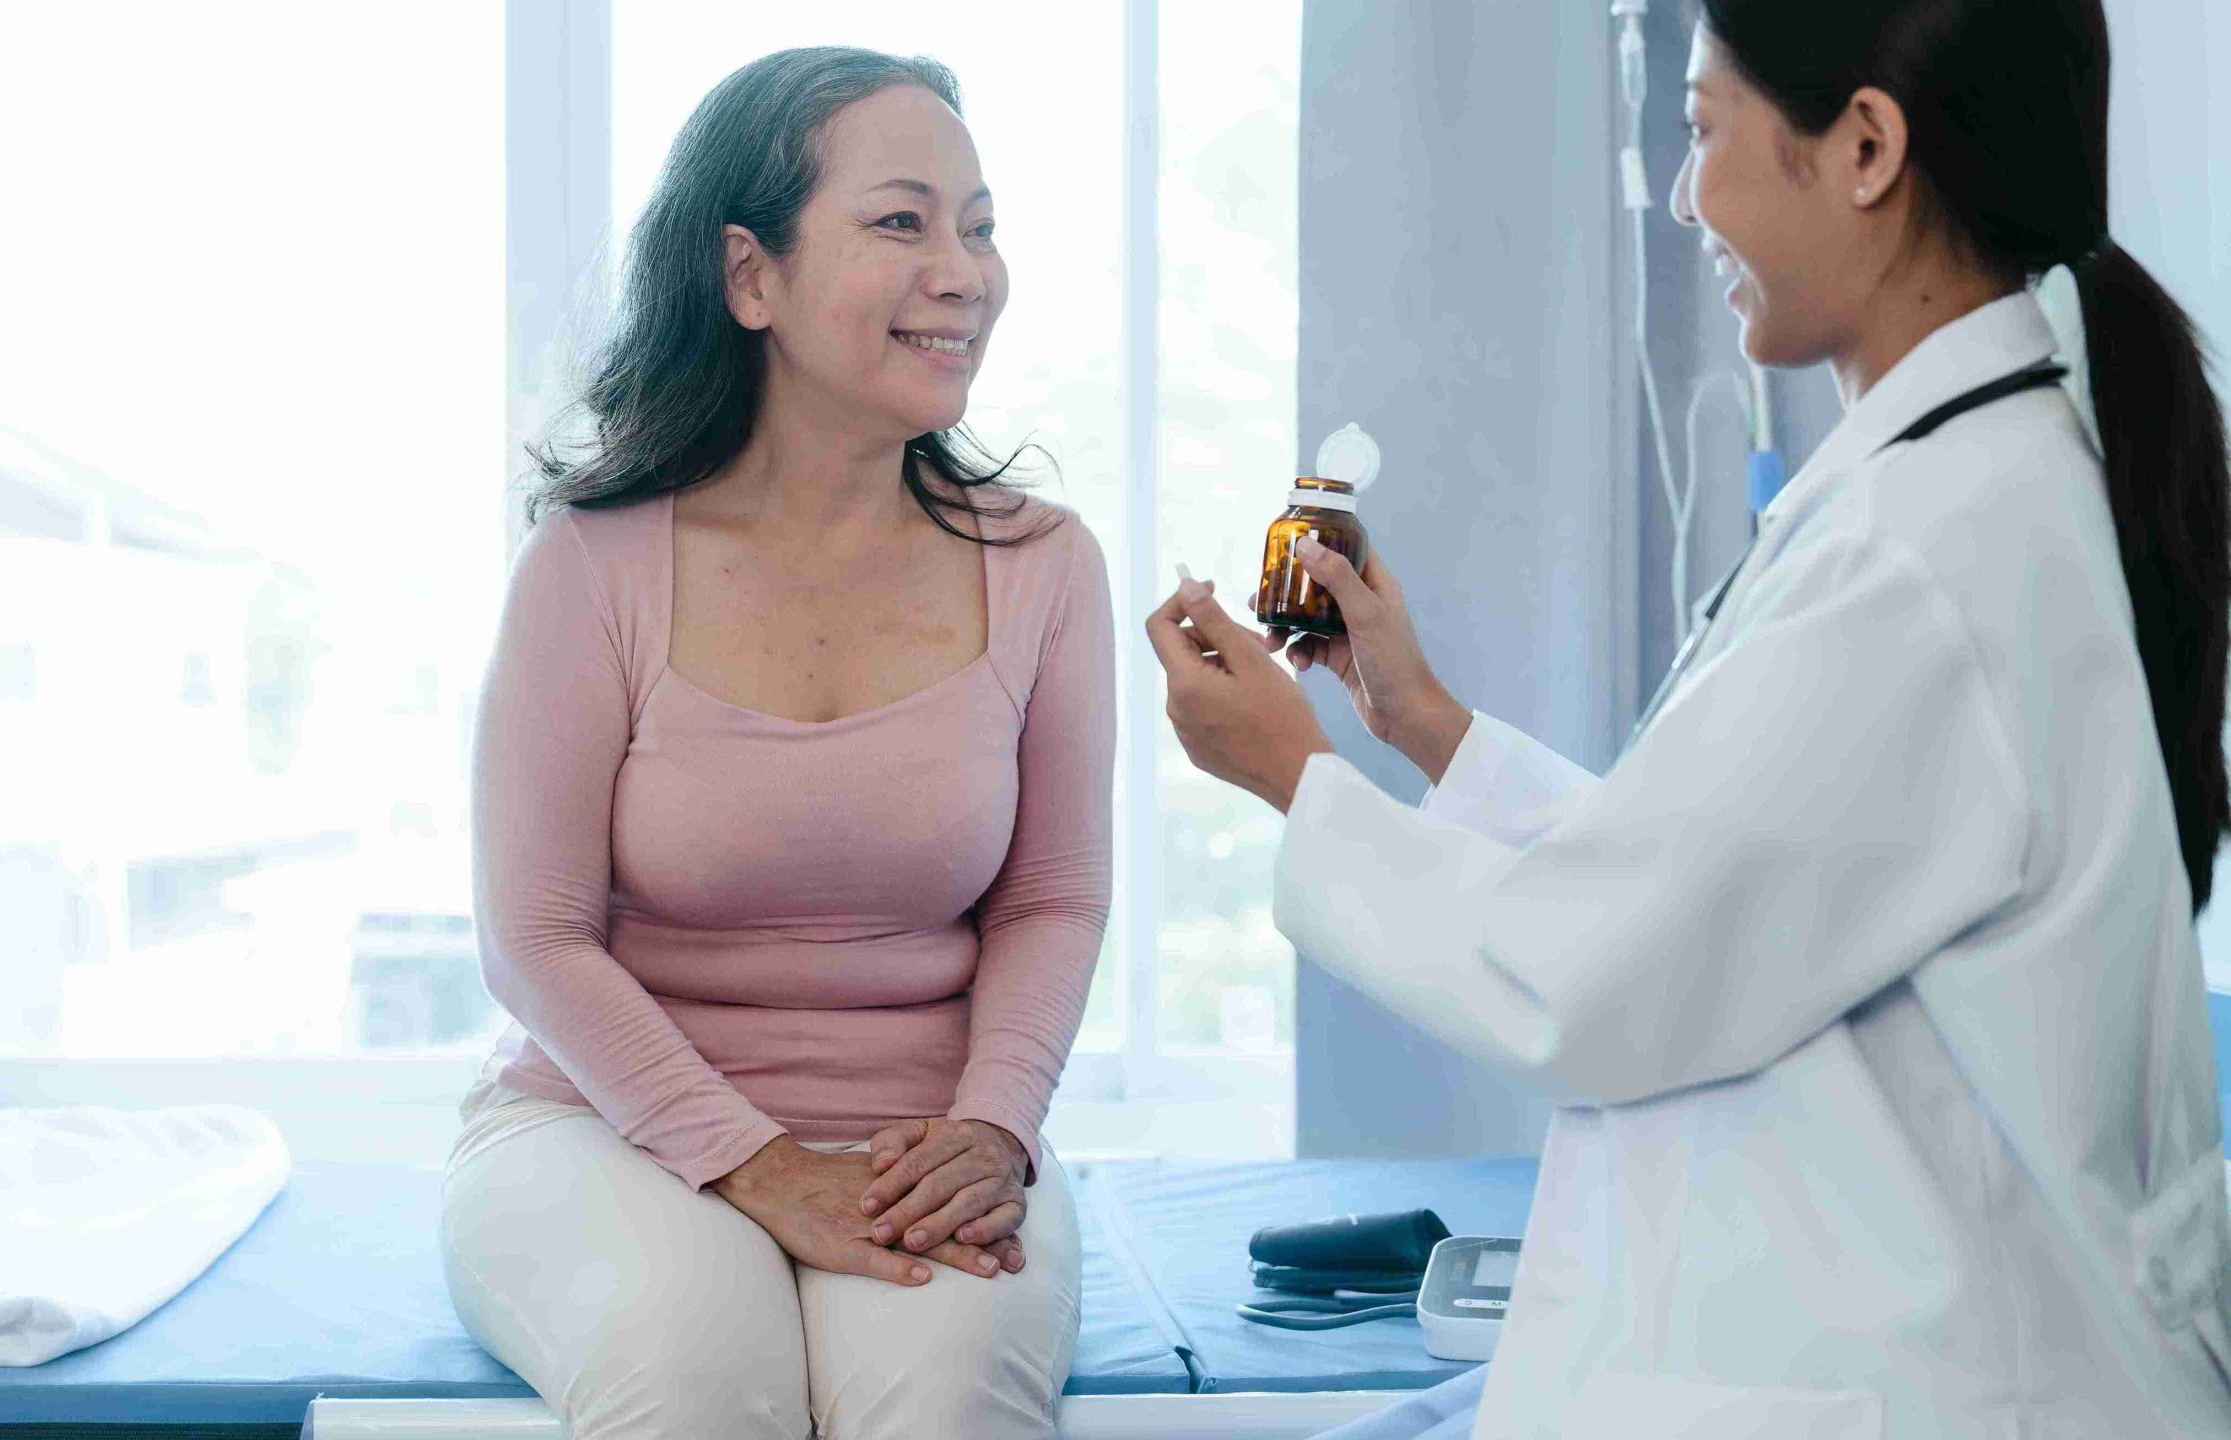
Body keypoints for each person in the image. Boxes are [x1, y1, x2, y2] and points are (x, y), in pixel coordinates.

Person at [1148, 2, 2231, 1436]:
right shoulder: (1942, 489)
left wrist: (1299, 783)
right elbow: (1711, 886)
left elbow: (1590, 975)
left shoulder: (1926, 552)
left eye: (1703, 131)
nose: (1680, 195)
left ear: (1862, 147)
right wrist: (1422, 726)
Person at [441, 47, 1112, 1440]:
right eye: (902, 221)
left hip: (929, 1143)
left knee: (946, 1397)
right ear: (751, 276)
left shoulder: (1046, 566)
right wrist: (752, 1162)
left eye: (981, 227)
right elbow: (536, 934)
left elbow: (1051, 897)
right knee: (691, 1371)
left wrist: (995, 1130)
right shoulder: (592, 563)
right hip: (600, 1128)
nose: (966, 272)